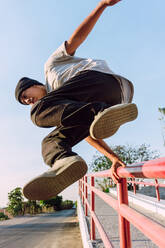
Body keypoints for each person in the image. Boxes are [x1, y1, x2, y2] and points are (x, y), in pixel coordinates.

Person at [15, 0, 138, 200]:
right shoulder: (63, 109)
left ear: (35, 84)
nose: (28, 100)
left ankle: (99, 110)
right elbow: (91, 132)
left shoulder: (51, 67)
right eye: (24, 101)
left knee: (38, 113)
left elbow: (76, 39)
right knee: (50, 141)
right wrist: (113, 158)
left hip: (102, 81)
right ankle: (64, 160)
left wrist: (102, 5)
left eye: (26, 95)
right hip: (116, 101)